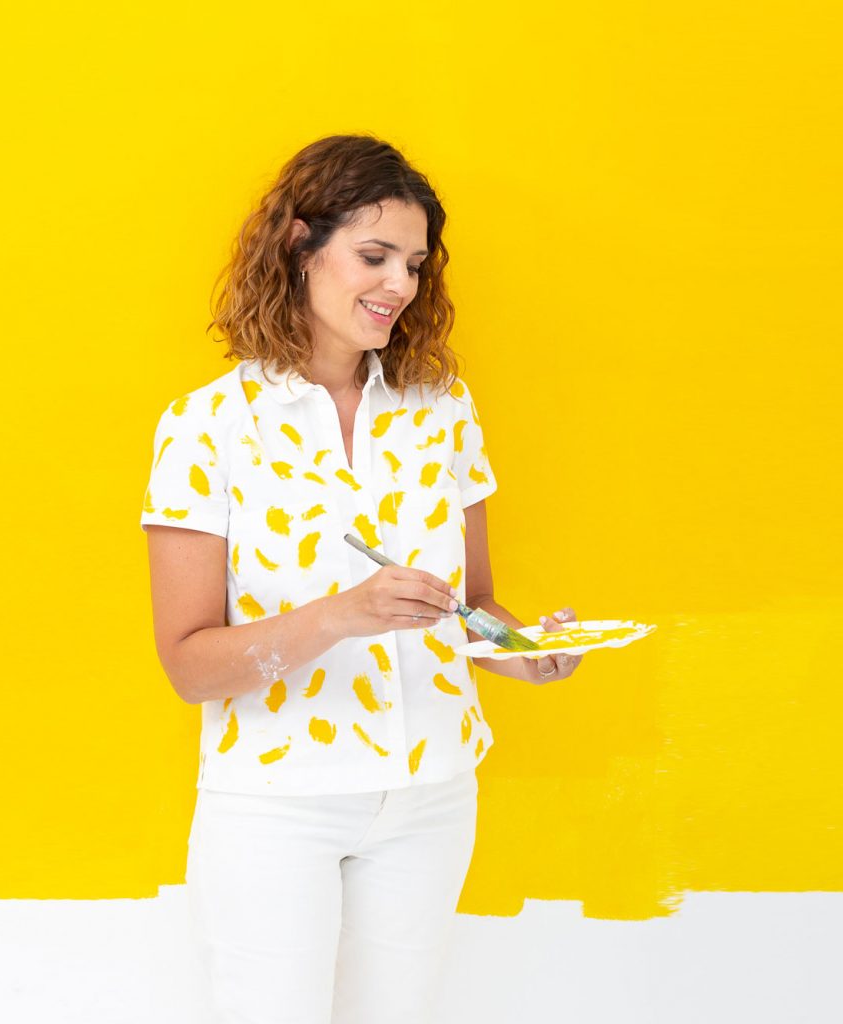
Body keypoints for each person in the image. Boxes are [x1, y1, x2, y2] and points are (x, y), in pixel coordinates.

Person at [140, 133, 583, 1024]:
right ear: (299, 246)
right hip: (277, 804)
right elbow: (190, 666)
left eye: (414, 265)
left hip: (431, 793)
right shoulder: (206, 427)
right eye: (374, 256)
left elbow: (473, 605)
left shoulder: (441, 410)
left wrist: (522, 651)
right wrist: (342, 615)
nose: (400, 285)